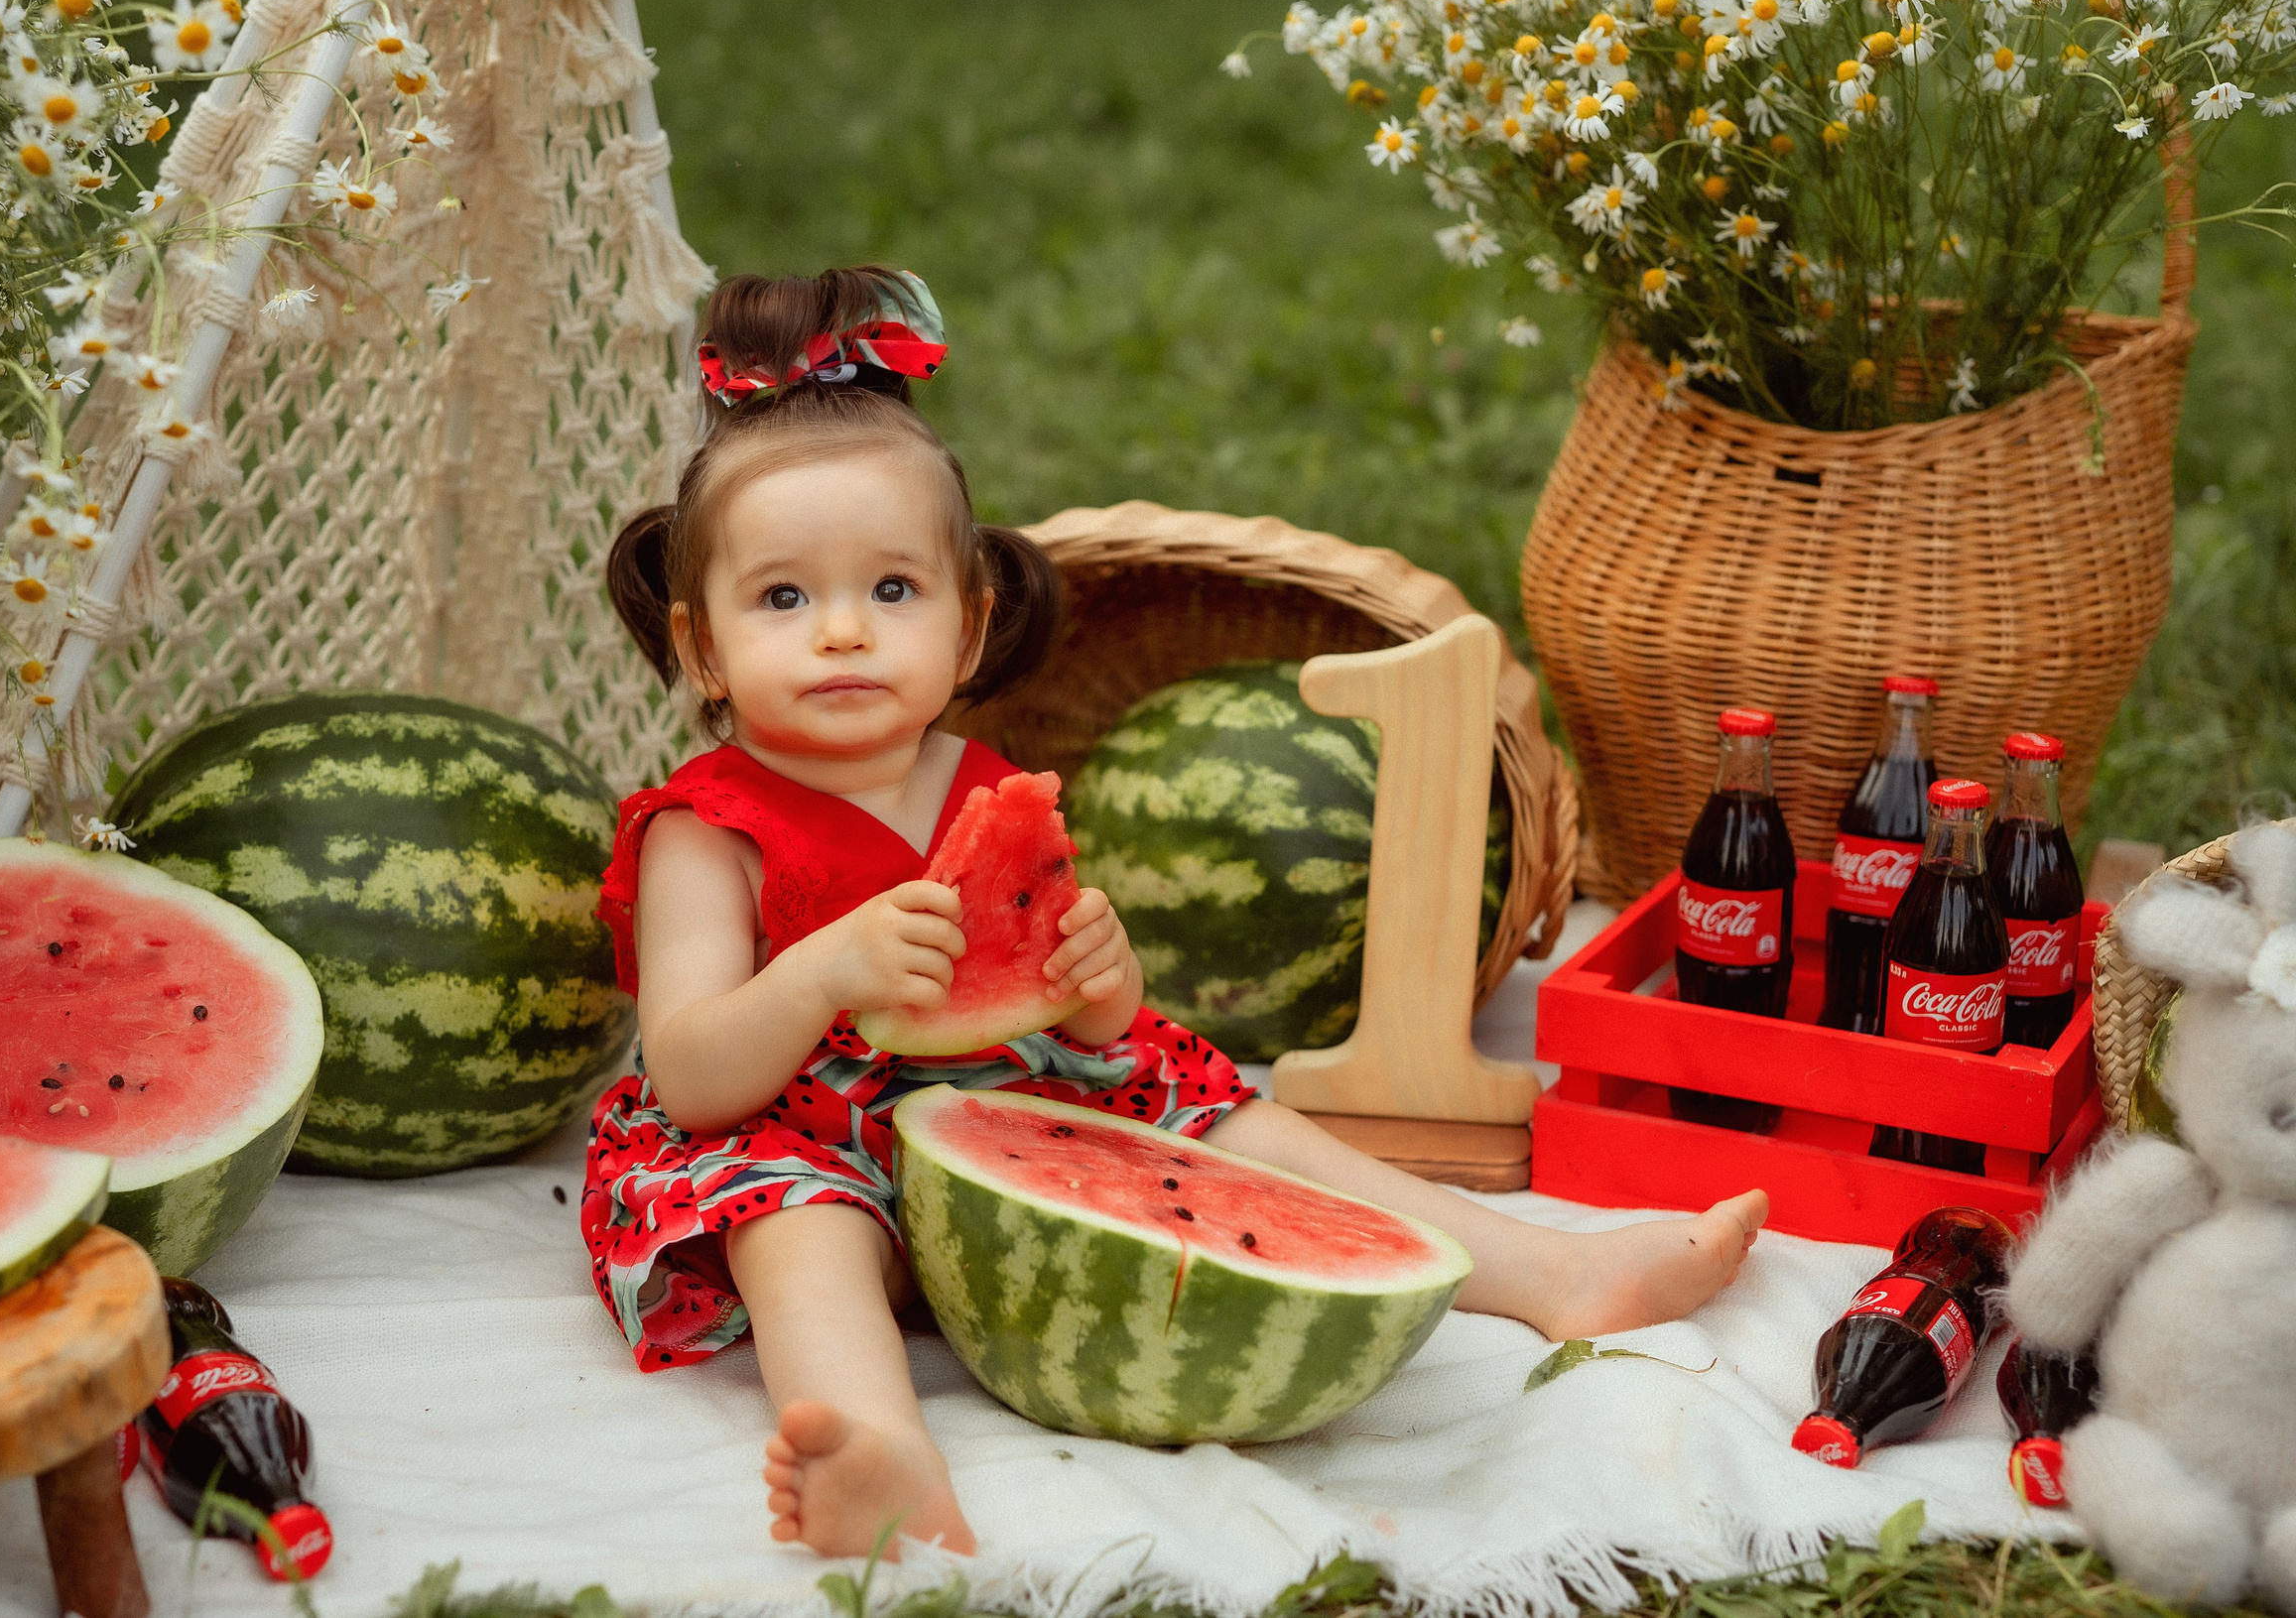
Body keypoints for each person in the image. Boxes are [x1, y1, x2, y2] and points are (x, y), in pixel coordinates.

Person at [583, 265, 1769, 1561]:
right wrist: (819, 973)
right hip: (801, 1136)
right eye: (783, 598)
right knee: (795, 1228)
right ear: (700, 647)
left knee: (1229, 1111)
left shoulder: (985, 786)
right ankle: (880, 1450)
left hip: (1021, 1104)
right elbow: (691, 1075)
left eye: (893, 591)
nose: (842, 635)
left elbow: (1099, 1029)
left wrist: (1102, 980)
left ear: (971, 629)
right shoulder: (704, 830)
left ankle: (1551, 1272)